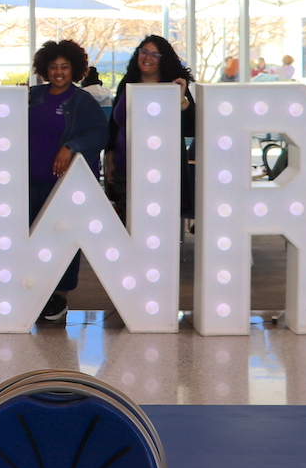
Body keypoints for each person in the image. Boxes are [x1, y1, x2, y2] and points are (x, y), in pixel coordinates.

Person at [26, 42, 108, 321]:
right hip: (27, 182)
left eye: (64, 67)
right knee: (31, 237)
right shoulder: (32, 96)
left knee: (62, 237)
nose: (58, 72)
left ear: (74, 69)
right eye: (53, 67)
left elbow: (100, 134)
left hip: (62, 184)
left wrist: (71, 146)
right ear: (44, 69)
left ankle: (59, 296)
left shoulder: (81, 100)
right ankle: (34, 290)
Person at [106, 35, 196, 221]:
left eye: (155, 55)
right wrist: (109, 155)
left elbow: (192, 128)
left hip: (162, 173)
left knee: (155, 226)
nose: (148, 58)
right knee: (129, 224)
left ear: (164, 60)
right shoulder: (127, 82)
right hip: (125, 168)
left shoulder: (173, 87)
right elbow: (115, 125)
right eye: (144, 52)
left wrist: (181, 101)